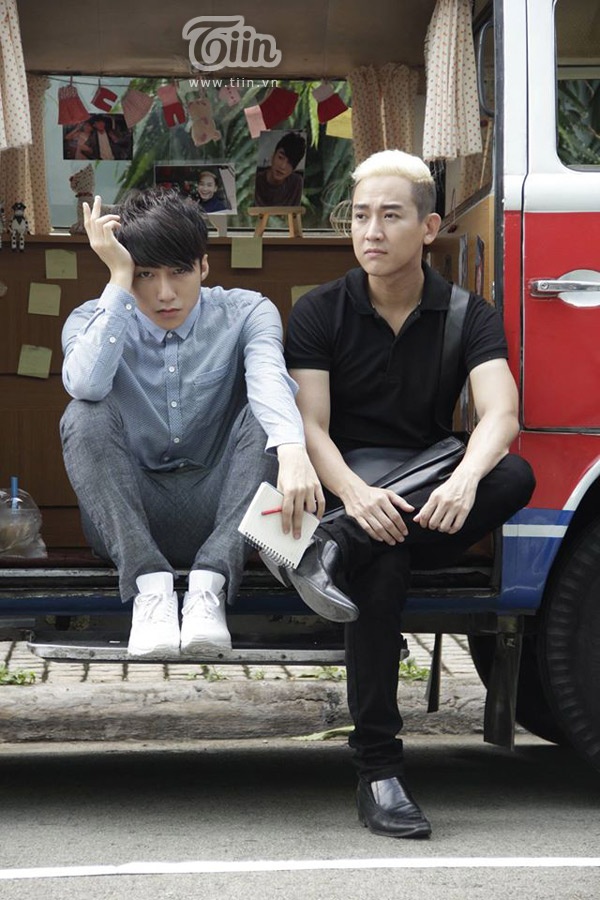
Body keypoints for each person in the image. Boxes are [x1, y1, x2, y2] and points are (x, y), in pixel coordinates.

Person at [279, 150, 536, 839]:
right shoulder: (321, 310)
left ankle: (332, 550)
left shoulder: (467, 313)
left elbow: (502, 415)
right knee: (383, 562)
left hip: (425, 492)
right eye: (360, 215)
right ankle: (380, 773)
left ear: (428, 227)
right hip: (344, 487)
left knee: (513, 474)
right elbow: (309, 428)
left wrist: (463, 479)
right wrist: (356, 497)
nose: (371, 231)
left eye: (390, 216)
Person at [60, 189, 324, 659]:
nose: (164, 293)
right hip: (127, 522)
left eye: (178, 272)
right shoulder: (92, 318)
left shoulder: (248, 311)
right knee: (83, 412)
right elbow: (85, 384)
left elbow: (268, 377)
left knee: (270, 418)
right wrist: (119, 278)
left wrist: (294, 450)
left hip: (227, 516)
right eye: (145, 274)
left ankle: (210, 586)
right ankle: (149, 589)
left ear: (203, 266)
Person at [254, 132, 306, 207]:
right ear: (273, 156)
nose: (282, 166)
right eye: (280, 157)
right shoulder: (256, 180)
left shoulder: (297, 183)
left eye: (290, 163)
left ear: (294, 168)